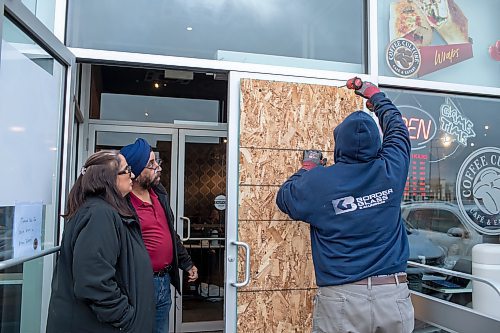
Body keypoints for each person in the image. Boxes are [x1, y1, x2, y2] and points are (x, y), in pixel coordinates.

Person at [276, 78, 414, 333]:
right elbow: (398, 129)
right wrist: (374, 95)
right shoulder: (391, 168)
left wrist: (308, 168)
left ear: (339, 143)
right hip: (391, 296)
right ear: (377, 143)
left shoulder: (318, 182)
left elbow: (285, 197)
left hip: (342, 300)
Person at [47, 150, 154, 333]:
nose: (133, 175)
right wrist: (125, 320)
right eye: (127, 170)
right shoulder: (99, 215)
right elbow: (94, 282)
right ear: (109, 178)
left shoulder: (104, 210)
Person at [120, 138, 198, 333]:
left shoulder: (159, 193)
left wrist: (186, 263)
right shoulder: (122, 203)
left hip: (163, 282)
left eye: (157, 162)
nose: (159, 168)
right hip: (138, 285)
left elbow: (169, 233)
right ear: (136, 172)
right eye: (152, 164)